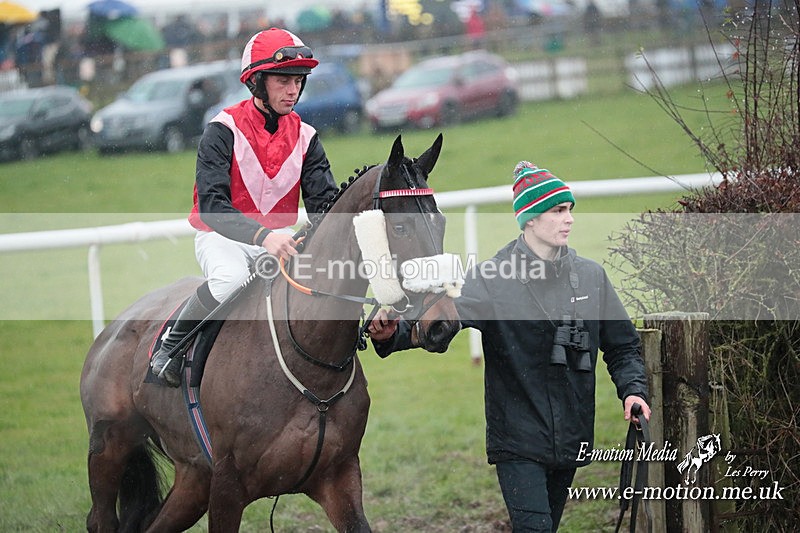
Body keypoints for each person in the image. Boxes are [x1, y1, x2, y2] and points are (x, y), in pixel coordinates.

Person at [369, 161, 651, 531]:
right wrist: (392, 334)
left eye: (569, 210)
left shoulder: (591, 277)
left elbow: (623, 346)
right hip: (517, 442)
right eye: (557, 211)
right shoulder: (492, 279)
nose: (568, 219)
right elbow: (440, 324)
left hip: (571, 436)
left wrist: (632, 391)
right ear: (529, 219)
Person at [151, 28, 338, 387]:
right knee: (231, 279)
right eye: (283, 80)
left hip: (278, 238)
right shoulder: (222, 130)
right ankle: (169, 348)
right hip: (222, 236)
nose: (293, 90)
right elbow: (211, 206)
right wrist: (263, 236)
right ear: (256, 82)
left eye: (298, 81)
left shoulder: (307, 137)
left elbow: (324, 208)